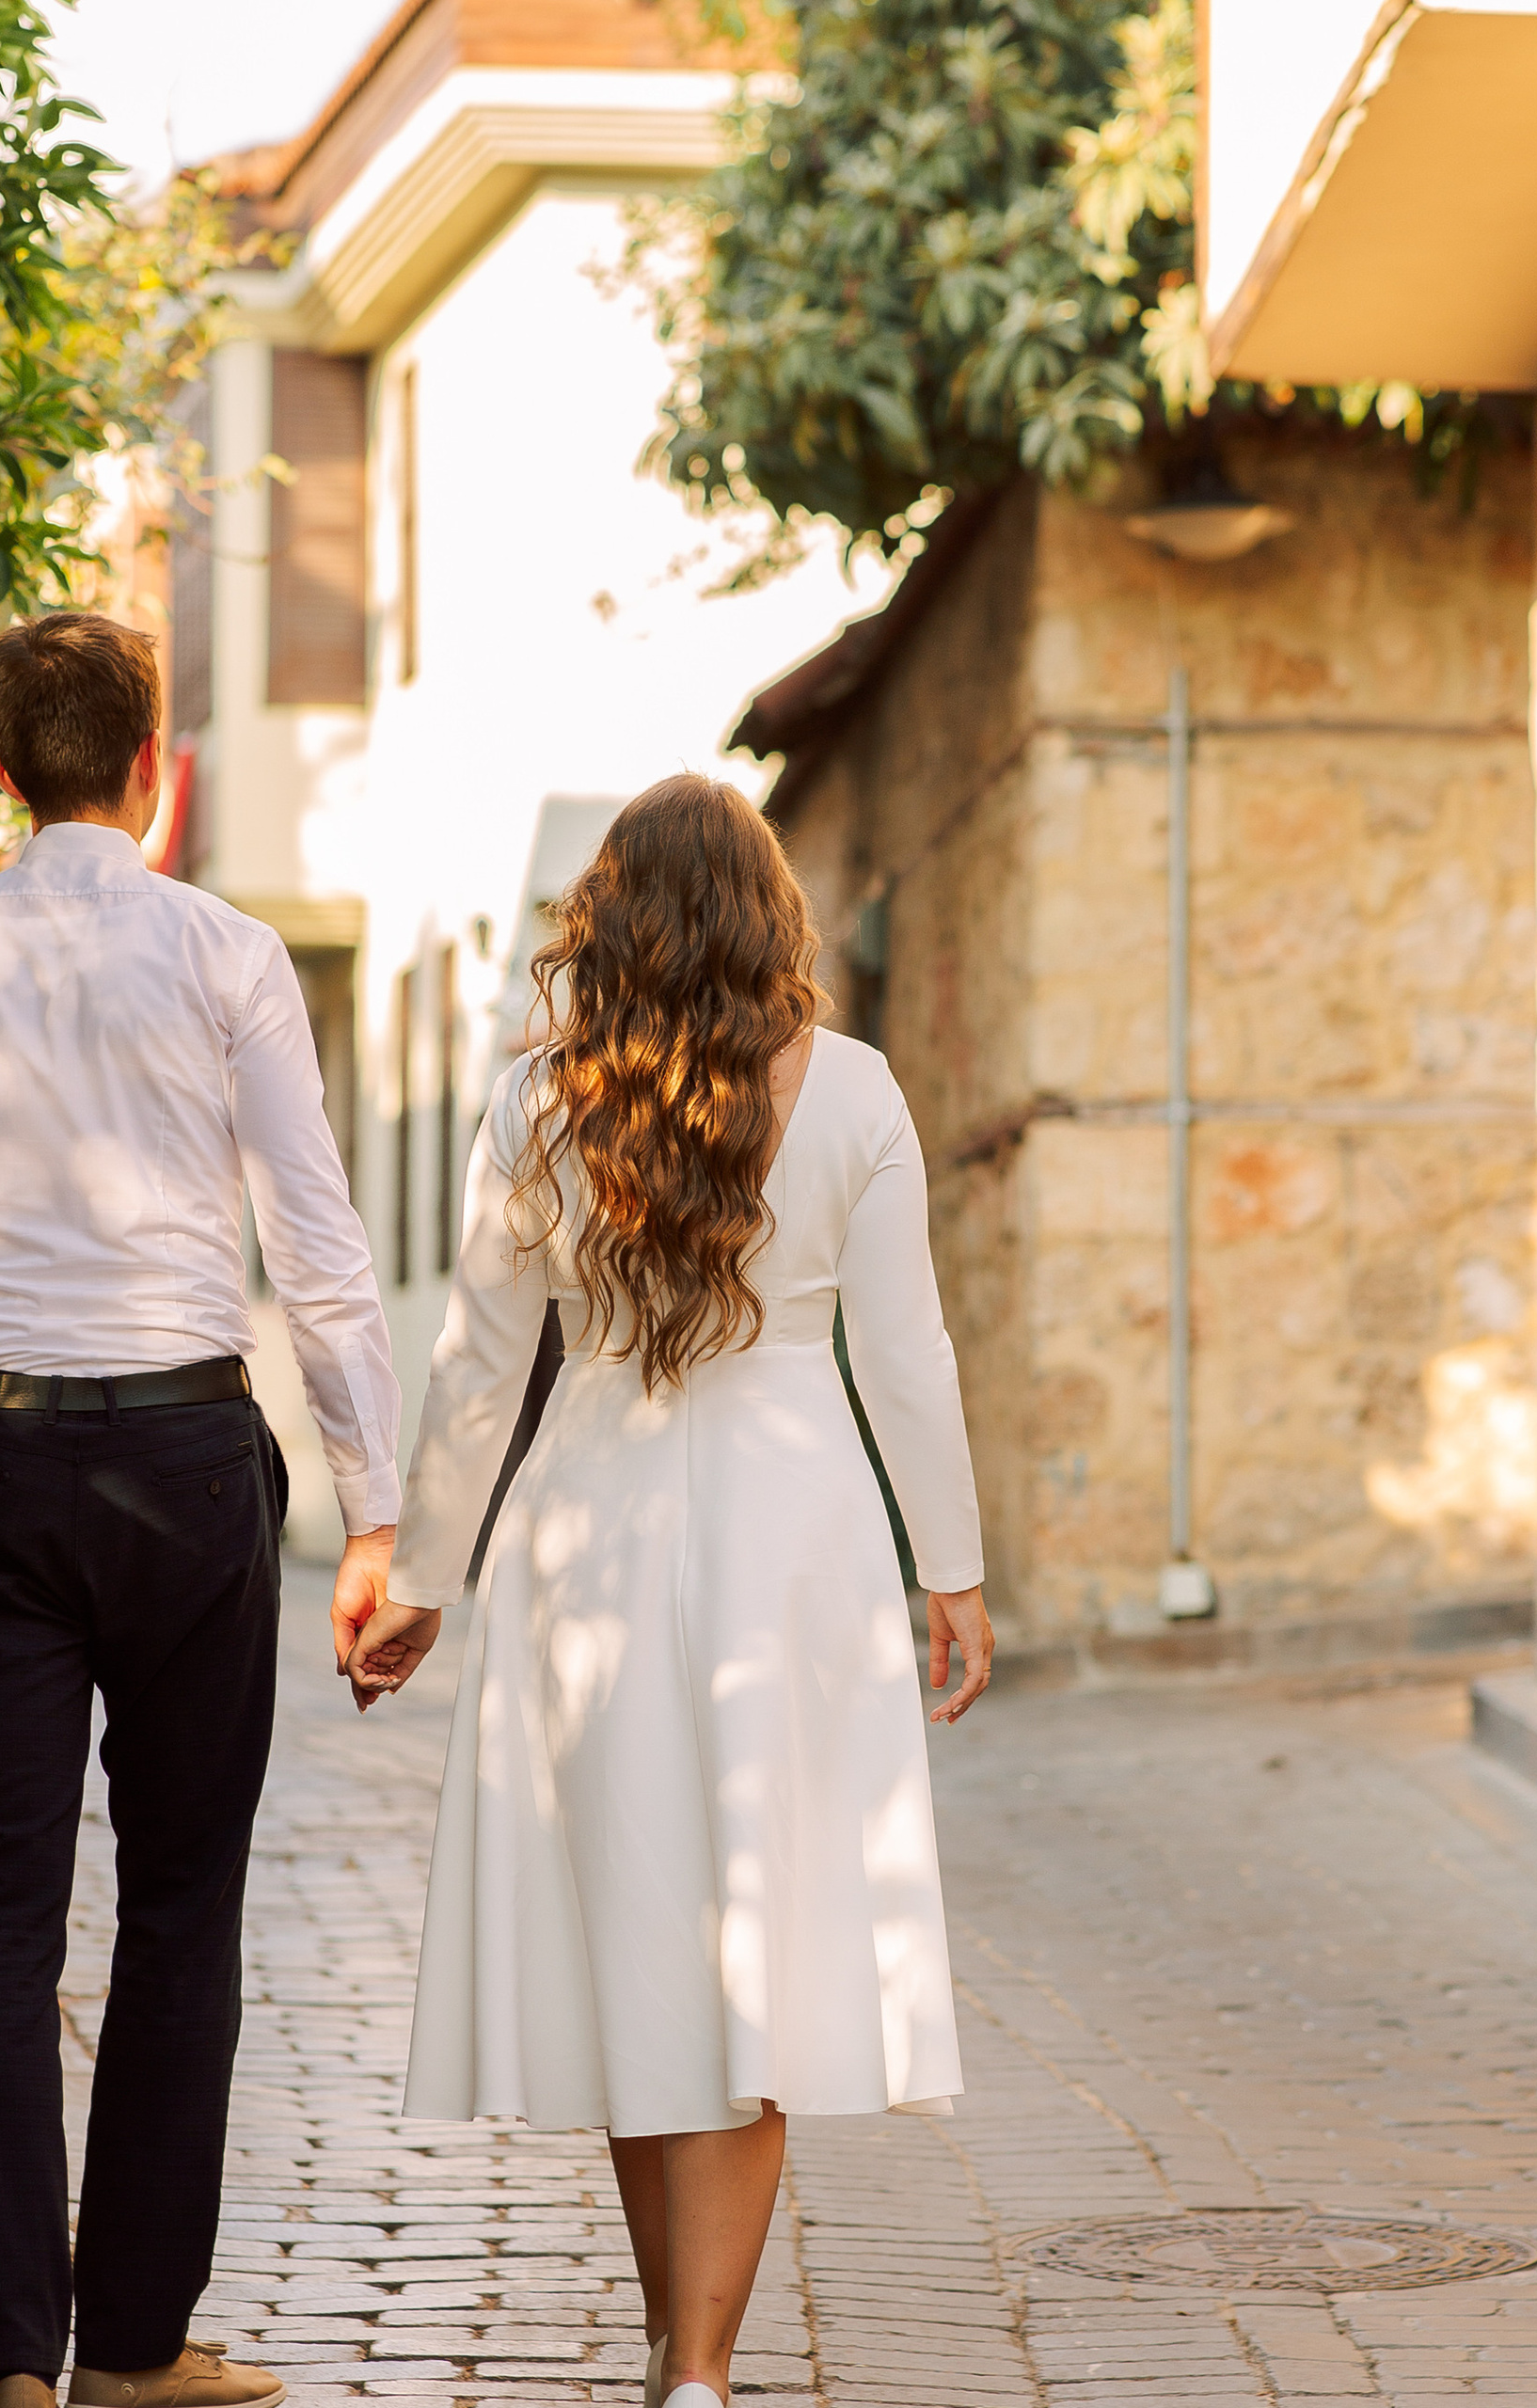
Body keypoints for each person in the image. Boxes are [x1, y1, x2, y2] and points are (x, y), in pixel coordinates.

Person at [0, 611, 403, 2408]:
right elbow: (320, 1248)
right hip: (190, 1466)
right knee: (184, 1904)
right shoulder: (231, 956)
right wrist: (374, 1510)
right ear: (151, 768)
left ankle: (4, 2363)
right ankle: (131, 2347)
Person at [331, 775, 992, 2408]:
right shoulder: (855, 1091)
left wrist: (424, 1576)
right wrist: (954, 1568)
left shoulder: (539, 1102)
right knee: (761, 1934)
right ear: (773, 917)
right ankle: (693, 2364)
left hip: (590, 1530)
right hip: (798, 1536)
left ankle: (678, 2354)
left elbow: (480, 1359)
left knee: (638, 1937)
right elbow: (906, 1351)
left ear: (607, 920)